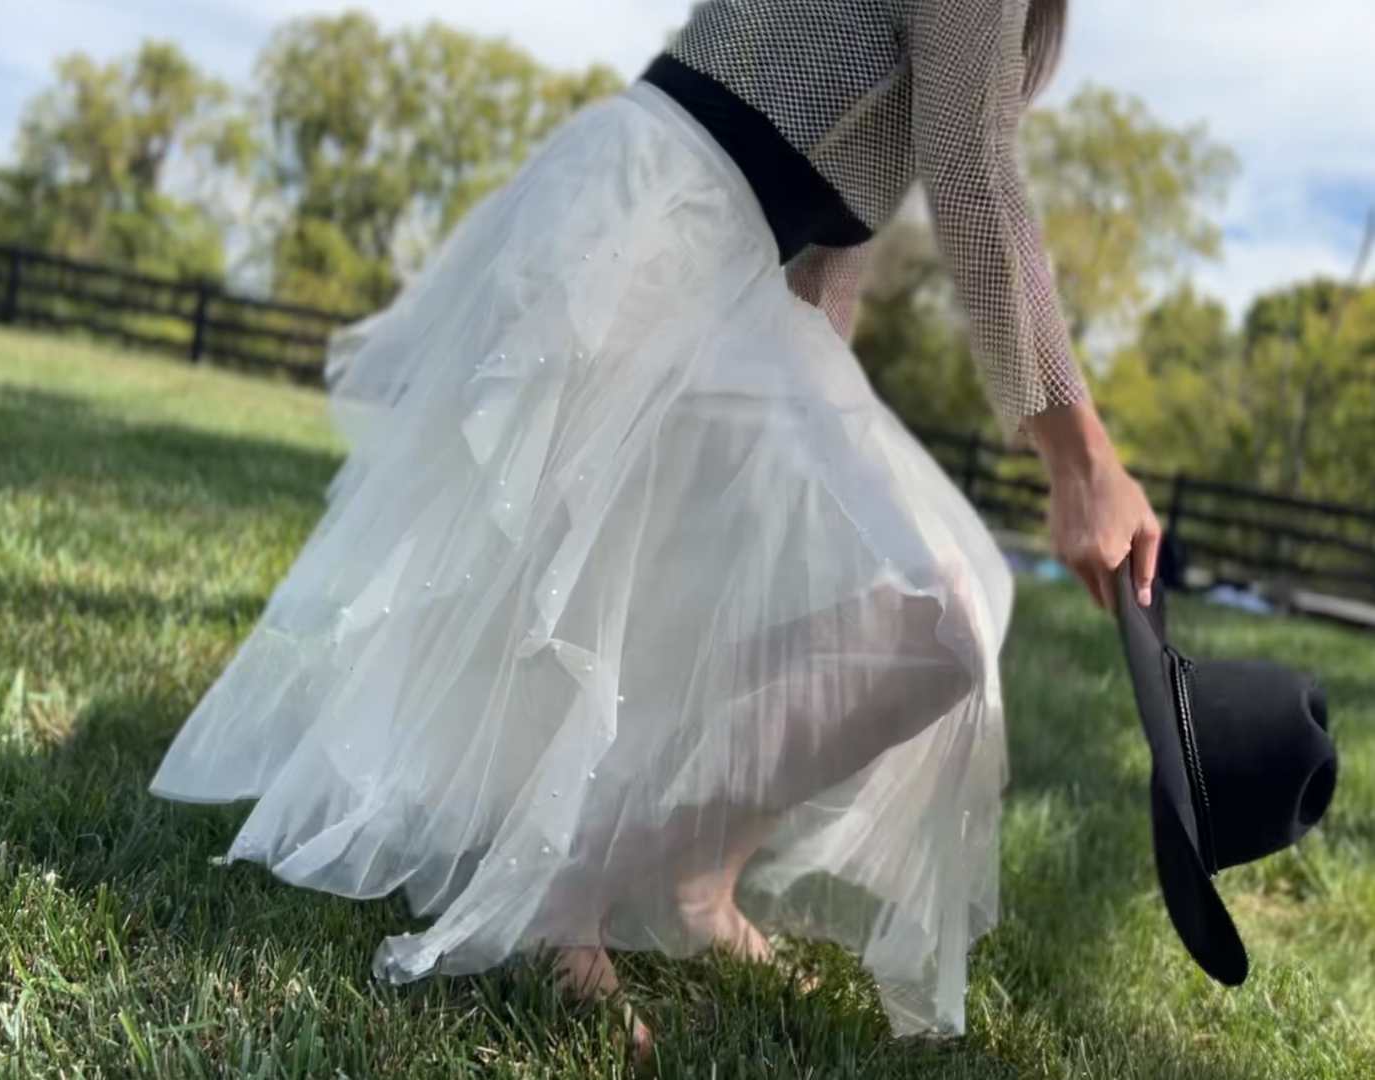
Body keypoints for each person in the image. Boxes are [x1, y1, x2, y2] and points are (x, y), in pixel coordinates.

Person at [151, 0, 1160, 1058]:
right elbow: (970, 170)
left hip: (691, 244)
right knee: (939, 615)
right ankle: (558, 904)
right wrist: (1078, 459)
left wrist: (809, 468)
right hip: (657, 235)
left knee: (933, 599)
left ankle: (694, 879)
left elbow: (833, 234)